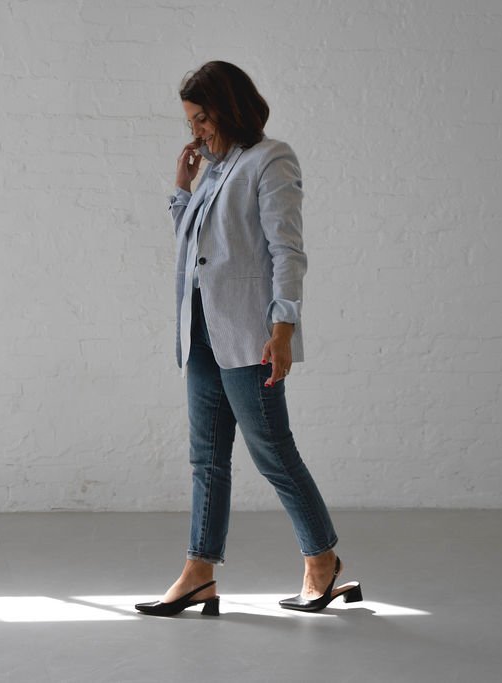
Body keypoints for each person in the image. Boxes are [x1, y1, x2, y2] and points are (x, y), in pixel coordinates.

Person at [135, 61, 362, 617]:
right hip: (202, 332)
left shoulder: (270, 159)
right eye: (190, 122)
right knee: (206, 459)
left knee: (272, 452)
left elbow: (287, 252)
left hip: (249, 334)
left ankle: (322, 563)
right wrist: (181, 189)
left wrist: (282, 328)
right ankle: (199, 573)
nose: (196, 132)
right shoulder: (212, 169)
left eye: (202, 119)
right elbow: (197, 248)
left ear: (229, 108)